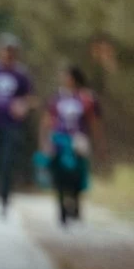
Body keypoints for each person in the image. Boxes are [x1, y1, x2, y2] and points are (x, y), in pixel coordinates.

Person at [40, 66, 103, 226]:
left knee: (77, 175)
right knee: (59, 175)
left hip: (78, 139)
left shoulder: (87, 97)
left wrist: (99, 143)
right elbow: (47, 120)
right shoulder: (57, 98)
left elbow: (94, 122)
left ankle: (75, 204)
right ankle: (61, 207)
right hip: (59, 140)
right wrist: (44, 141)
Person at [0, 34, 34, 214]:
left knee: (6, 161)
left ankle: (4, 199)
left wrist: (23, 106)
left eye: (12, 51)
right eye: (5, 50)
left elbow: (29, 97)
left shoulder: (21, 74)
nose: (8, 54)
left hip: (10, 124)